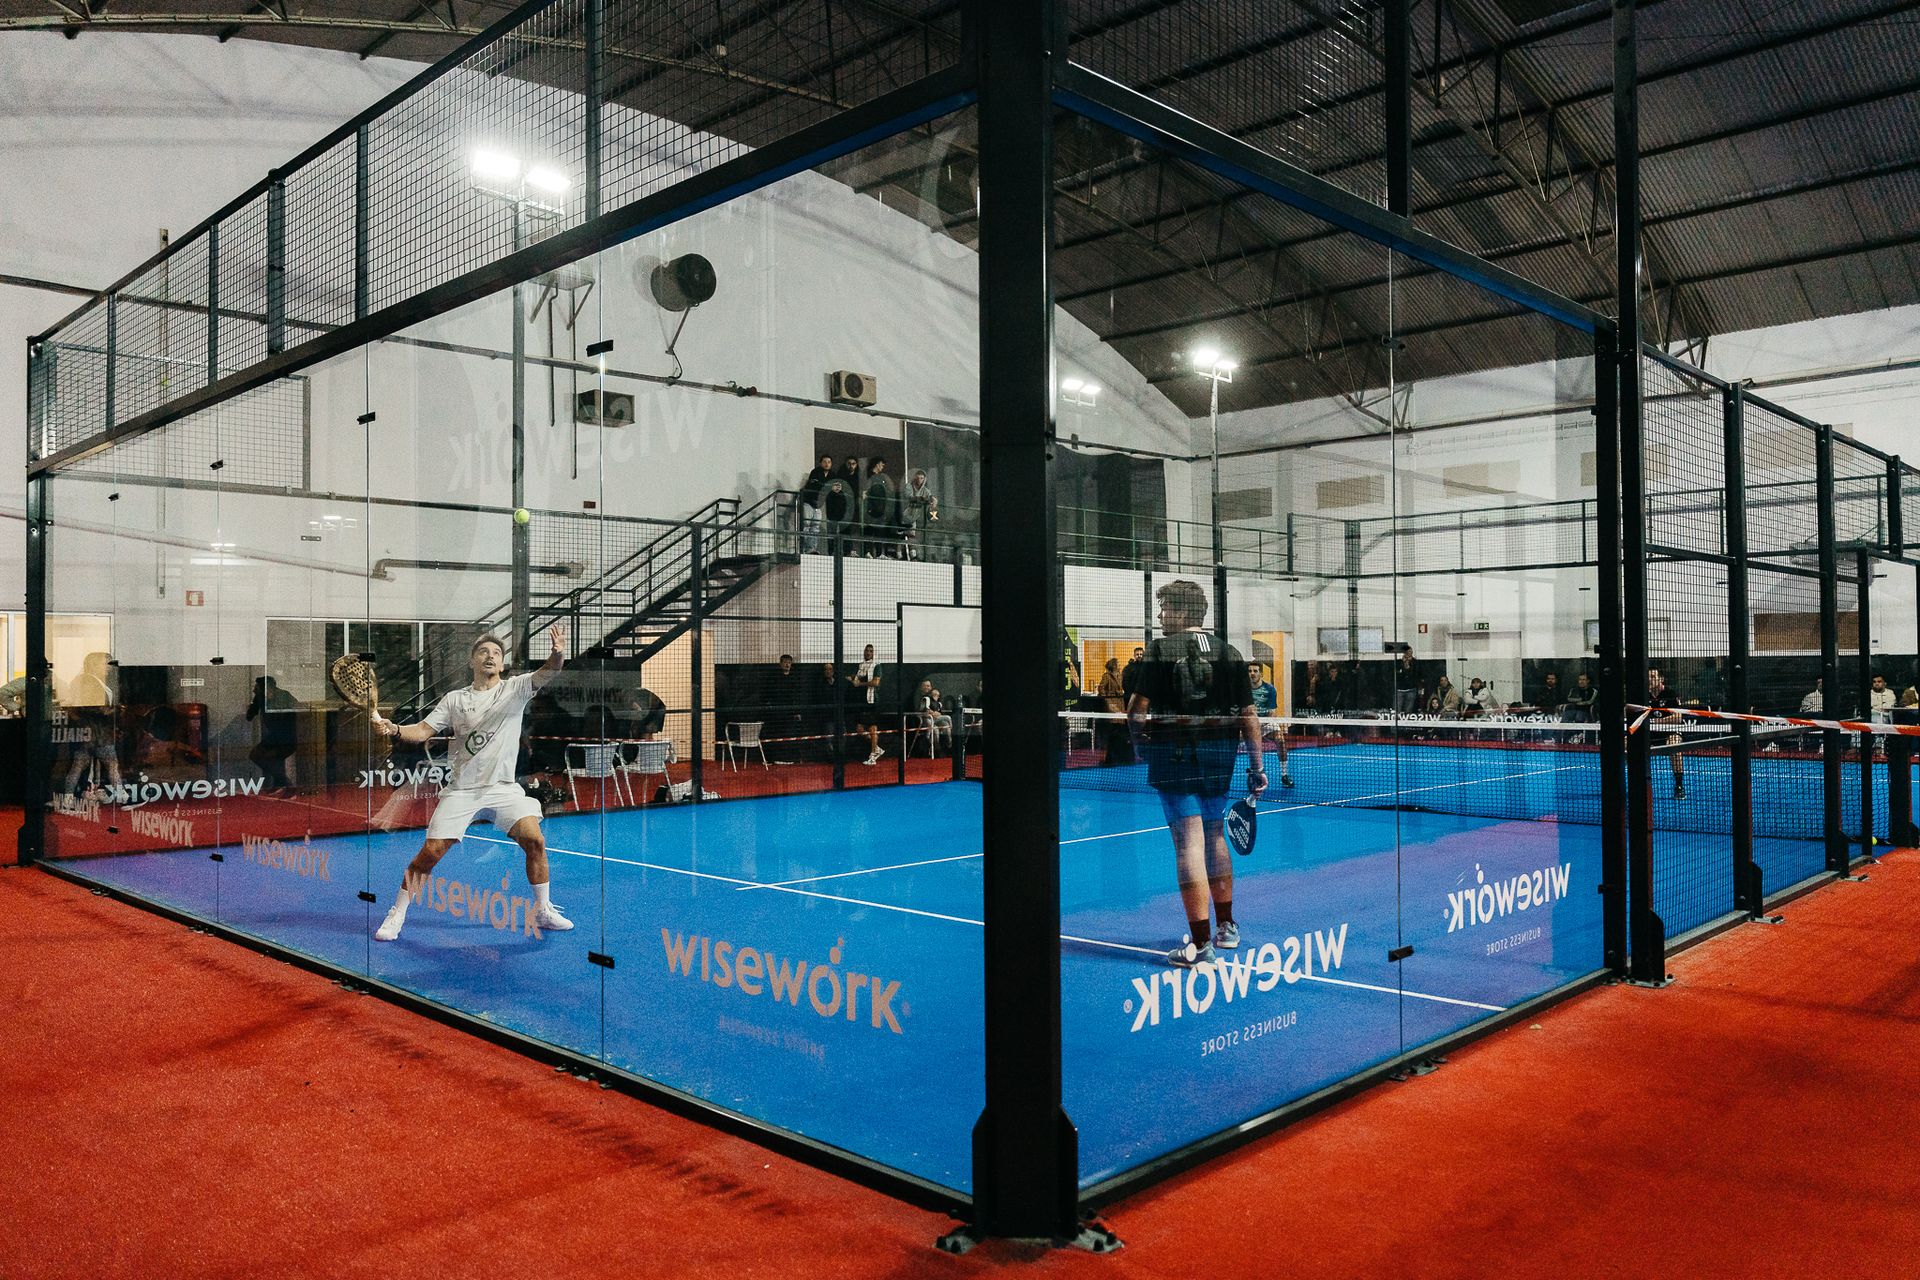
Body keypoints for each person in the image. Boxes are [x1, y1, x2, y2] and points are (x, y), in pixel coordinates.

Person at [368, 628, 573, 942]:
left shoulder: (516, 688)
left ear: (502, 665)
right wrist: (393, 728)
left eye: (496, 654)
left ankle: (543, 910)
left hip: (504, 788)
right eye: (484, 652)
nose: (490, 656)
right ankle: (397, 912)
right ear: (472, 661)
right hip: (463, 789)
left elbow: (550, 670)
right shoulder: (455, 699)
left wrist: (558, 652)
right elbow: (422, 731)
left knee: (535, 841)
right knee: (431, 852)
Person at [1128, 579, 1268, 969]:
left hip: (1173, 757)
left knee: (1187, 844)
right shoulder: (1231, 652)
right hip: (1218, 757)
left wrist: (1140, 744)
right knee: (1213, 835)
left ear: (1182, 612)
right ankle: (1226, 928)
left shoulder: (1159, 651)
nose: (1160, 616)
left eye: (1164, 609)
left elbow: (1136, 711)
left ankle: (1201, 946)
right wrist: (1257, 766)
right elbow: (1249, 716)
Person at [60, 651, 123, 811]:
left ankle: (69, 798)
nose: (108, 668)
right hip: (97, 733)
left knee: (80, 765)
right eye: (105, 664)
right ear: (94, 665)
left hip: (90, 732)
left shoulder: (90, 680)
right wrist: (114, 711)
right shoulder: (88, 681)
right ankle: (123, 797)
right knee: (111, 765)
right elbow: (93, 707)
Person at [246, 675, 299, 796]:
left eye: (256, 687)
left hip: (286, 736)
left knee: (263, 756)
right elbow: (250, 715)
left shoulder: (284, 696)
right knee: (257, 755)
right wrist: (256, 701)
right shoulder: (260, 697)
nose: (254, 689)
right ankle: (279, 784)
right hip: (274, 736)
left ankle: (287, 786)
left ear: (267, 688)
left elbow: (296, 709)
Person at [1248, 661, 1294, 787]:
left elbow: (1272, 713)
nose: (1252, 673)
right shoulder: (1244, 690)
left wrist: (1260, 727)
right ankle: (1254, 773)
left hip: (1265, 723)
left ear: (1261, 673)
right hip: (1249, 725)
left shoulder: (1269, 689)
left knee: (1280, 739)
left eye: (1255, 671)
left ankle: (1284, 775)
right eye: (1250, 671)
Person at [1648, 667, 1686, 800]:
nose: (1649, 679)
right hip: (1649, 734)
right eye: (1648, 677)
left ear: (1661, 679)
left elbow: (1678, 718)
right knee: (1625, 743)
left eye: (1653, 676)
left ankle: (1679, 786)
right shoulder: (1642, 694)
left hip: (1669, 732)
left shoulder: (1670, 693)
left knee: (1674, 746)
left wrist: (1654, 722)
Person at [852, 643, 884, 764]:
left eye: (871, 651)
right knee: (859, 728)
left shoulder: (877, 665)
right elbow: (856, 678)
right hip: (861, 701)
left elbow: (875, 682)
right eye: (867, 651)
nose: (868, 653)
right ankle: (876, 748)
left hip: (872, 700)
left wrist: (860, 684)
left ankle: (873, 755)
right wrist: (853, 680)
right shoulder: (860, 665)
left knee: (872, 727)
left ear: (873, 653)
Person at [862, 460, 898, 557]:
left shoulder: (881, 478)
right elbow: (865, 491)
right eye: (882, 465)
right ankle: (867, 552)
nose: (882, 467)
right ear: (877, 464)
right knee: (869, 530)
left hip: (880, 508)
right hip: (870, 508)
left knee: (879, 530)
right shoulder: (868, 476)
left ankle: (879, 553)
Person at [902, 468, 939, 561]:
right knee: (902, 534)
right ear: (915, 478)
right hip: (903, 514)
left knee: (912, 534)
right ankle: (902, 554)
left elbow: (930, 497)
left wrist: (933, 500)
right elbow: (908, 496)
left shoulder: (925, 490)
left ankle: (913, 555)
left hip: (915, 516)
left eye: (922, 478)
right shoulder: (909, 486)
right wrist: (921, 499)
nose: (919, 480)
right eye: (918, 478)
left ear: (924, 479)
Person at [800, 454, 832, 553]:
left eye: (829, 462)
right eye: (825, 462)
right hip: (808, 502)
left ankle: (811, 549)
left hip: (818, 505)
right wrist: (830, 487)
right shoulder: (815, 472)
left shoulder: (832, 475)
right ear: (820, 463)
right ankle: (803, 549)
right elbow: (816, 485)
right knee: (806, 525)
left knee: (815, 527)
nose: (827, 464)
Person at [912, 678, 951, 755]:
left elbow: (938, 711)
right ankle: (937, 750)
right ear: (921, 687)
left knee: (946, 725)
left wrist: (936, 713)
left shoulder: (933, 699)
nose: (928, 688)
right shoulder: (918, 697)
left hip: (935, 719)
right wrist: (931, 713)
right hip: (922, 720)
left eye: (929, 686)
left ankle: (950, 746)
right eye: (926, 686)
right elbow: (923, 710)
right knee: (935, 730)